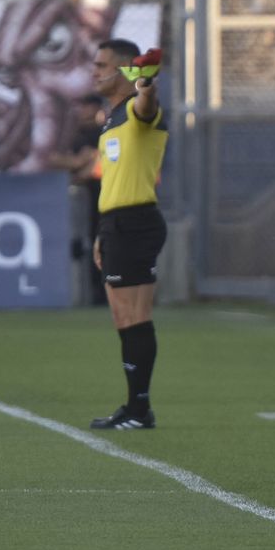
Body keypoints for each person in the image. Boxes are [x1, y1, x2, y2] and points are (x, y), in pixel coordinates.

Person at [88, 40, 168, 431]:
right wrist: (103, 231)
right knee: (123, 319)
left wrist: (147, 83)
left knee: (136, 316)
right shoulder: (111, 119)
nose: (94, 70)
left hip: (136, 222)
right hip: (116, 224)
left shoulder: (136, 110)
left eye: (101, 64)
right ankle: (135, 406)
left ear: (123, 70)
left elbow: (147, 107)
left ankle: (140, 409)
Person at [50, 93, 108, 306]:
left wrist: (79, 165)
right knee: (80, 245)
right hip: (75, 200)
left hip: (101, 198)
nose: (83, 111)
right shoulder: (72, 133)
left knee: (101, 244)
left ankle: (101, 295)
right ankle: (87, 295)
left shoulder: (105, 132)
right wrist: (77, 162)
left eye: (87, 106)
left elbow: (96, 164)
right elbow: (53, 159)